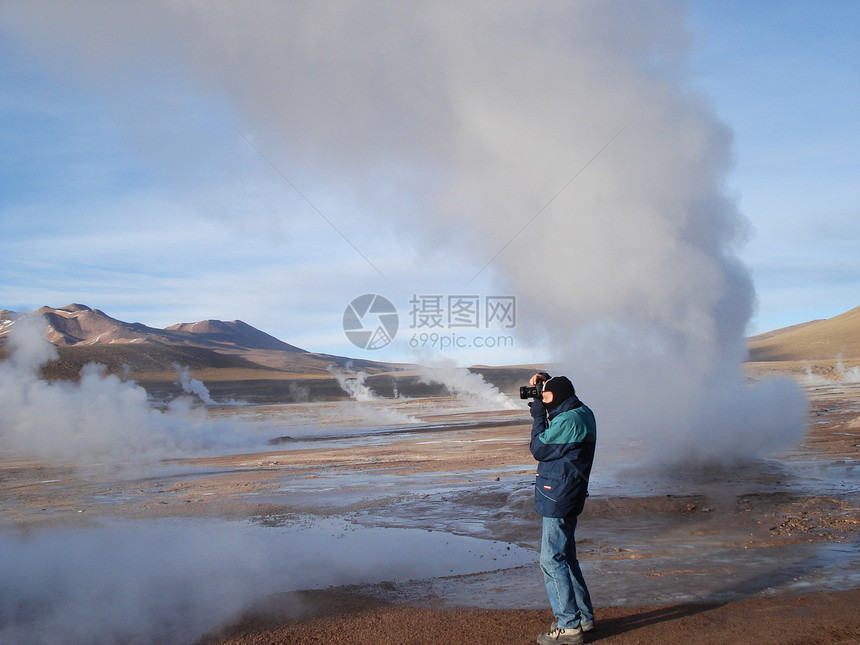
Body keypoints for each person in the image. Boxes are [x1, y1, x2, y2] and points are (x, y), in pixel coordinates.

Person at [528, 372, 597, 645]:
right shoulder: (581, 411)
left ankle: (568, 625)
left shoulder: (569, 420)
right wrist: (544, 381)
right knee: (566, 557)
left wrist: (537, 417)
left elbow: (539, 448)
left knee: (550, 560)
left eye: (545, 397)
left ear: (557, 397)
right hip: (568, 492)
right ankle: (583, 617)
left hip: (559, 496)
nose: (542, 403)